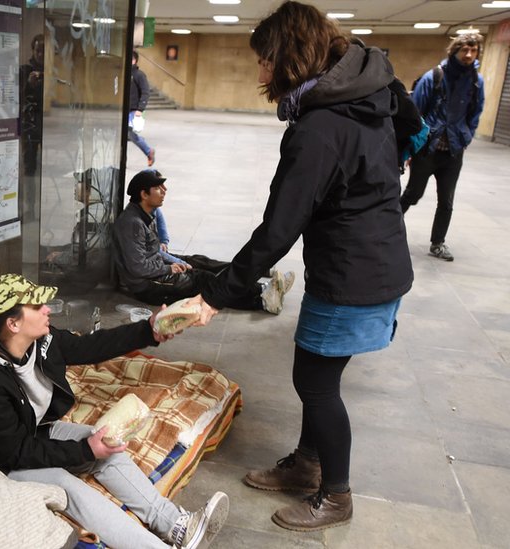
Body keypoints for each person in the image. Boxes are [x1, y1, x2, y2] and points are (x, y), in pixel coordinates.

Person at [188, 1, 414, 532]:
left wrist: (218, 293)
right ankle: (308, 463)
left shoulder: (321, 127)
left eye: (265, 60)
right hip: (372, 262)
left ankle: (335, 495)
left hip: (354, 274)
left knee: (314, 382)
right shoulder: (365, 96)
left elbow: (278, 228)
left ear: (290, 58)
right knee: (320, 373)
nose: (260, 72)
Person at [0, 273, 229, 549]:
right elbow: (13, 453)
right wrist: (85, 451)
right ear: (13, 324)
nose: (47, 308)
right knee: (64, 484)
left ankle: (176, 526)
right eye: (37, 306)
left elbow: (88, 347)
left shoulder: (39, 340)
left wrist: (149, 330)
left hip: (28, 431)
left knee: (104, 440)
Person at [113, 169, 294, 313]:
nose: (164, 191)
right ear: (144, 194)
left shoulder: (145, 213)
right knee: (202, 279)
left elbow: (153, 252)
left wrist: (178, 262)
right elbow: (137, 267)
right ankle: (262, 299)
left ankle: (261, 277)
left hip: (153, 267)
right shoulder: (132, 223)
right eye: (159, 188)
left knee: (200, 261)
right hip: (146, 285)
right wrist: (169, 268)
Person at [400, 33, 486, 262]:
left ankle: (438, 243)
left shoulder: (477, 81)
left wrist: (466, 137)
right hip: (428, 150)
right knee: (413, 193)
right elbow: (415, 114)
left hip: (453, 151)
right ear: (454, 51)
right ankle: (384, 231)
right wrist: (411, 147)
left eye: (473, 50)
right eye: (464, 50)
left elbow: (475, 113)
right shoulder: (434, 77)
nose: (468, 55)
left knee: (446, 201)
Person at [21, 34, 45, 177]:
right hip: (29, 124)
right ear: (33, 51)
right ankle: (30, 199)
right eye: (38, 51)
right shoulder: (25, 71)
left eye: (43, 50)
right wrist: (29, 85)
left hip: (47, 125)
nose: (41, 54)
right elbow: (16, 97)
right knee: (29, 166)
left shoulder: (54, 71)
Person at [129, 51, 155, 166]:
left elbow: (145, 92)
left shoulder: (139, 75)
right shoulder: (124, 73)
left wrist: (140, 109)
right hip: (123, 110)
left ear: (134, 61)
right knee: (126, 136)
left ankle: (148, 151)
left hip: (134, 110)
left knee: (130, 135)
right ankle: (148, 151)